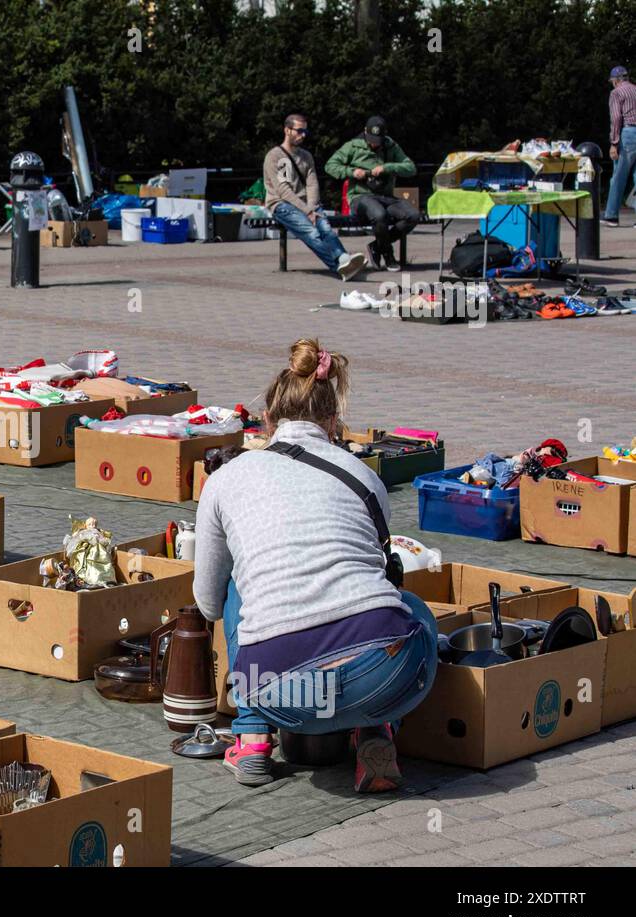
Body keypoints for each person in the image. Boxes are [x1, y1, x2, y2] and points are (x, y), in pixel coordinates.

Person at [193, 338, 439, 793]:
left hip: (279, 691)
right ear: (333, 423)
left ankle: (251, 740)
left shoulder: (225, 480)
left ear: (267, 419)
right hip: (385, 675)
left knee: (236, 589)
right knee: (405, 604)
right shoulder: (363, 475)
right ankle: (376, 735)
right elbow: (383, 568)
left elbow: (207, 603)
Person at [262, 115, 366, 280]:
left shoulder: (306, 156)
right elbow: (284, 190)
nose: (303, 135)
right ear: (287, 130)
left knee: (325, 228)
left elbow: (312, 185)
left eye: (305, 131)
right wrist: (307, 211)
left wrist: (311, 207)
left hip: (307, 204)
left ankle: (344, 259)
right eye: (299, 131)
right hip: (282, 204)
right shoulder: (277, 156)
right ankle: (339, 267)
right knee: (311, 232)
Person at [325, 116, 419, 271]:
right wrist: (352, 172)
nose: (374, 143)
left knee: (413, 215)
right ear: (364, 132)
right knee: (379, 215)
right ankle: (388, 254)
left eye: (378, 139)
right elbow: (330, 166)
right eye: (371, 138)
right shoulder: (353, 146)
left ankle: (377, 246)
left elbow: (410, 168)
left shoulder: (391, 146)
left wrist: (387, 168)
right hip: (360, 196)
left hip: (386, 196)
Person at [603, 66, 636, 226]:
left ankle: (611, 215)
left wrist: (614, 143)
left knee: (618, 176)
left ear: (616, 80)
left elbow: (616, 118)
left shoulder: (616, 93)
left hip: (628, 134)